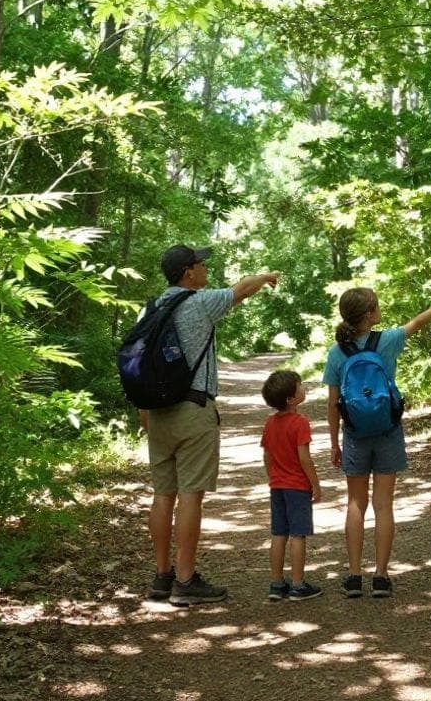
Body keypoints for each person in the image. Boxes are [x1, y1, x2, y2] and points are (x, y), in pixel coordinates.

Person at [142, 244, 280, 606]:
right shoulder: (199, 303)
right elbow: (242, 289)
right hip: (193, 409)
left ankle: (161, 576)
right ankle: (185, 580)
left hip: (156, 411)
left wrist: (143, 409)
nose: (205, 269)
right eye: (201, 264)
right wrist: (265, 277)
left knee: (162, 494)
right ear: (188, 272)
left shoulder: (151, 307)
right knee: (190, 496)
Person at [323, 288, 431, 598]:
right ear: (369, 315)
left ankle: (353, 576)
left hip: (354, 435)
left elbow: (332, 403)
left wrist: (334, 442)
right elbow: (415, 324)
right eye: (376, 306)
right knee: (383, 505)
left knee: (355, 503)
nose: (379, 310)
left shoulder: (337, 352)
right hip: (388, 431)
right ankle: (380, 576)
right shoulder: (387, 341)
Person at [259, 370, 324, 602]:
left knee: (278, 533)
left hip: (277, 486)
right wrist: (315, 484)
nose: (303, 388)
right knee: (298, 534)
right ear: (291, 398)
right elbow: (304, 457)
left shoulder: (270, 424)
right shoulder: (300, 423)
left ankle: (277, 583)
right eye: (300, 386)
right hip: (297, 487)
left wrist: (273, 476)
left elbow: (267, 455)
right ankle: (297, 584)